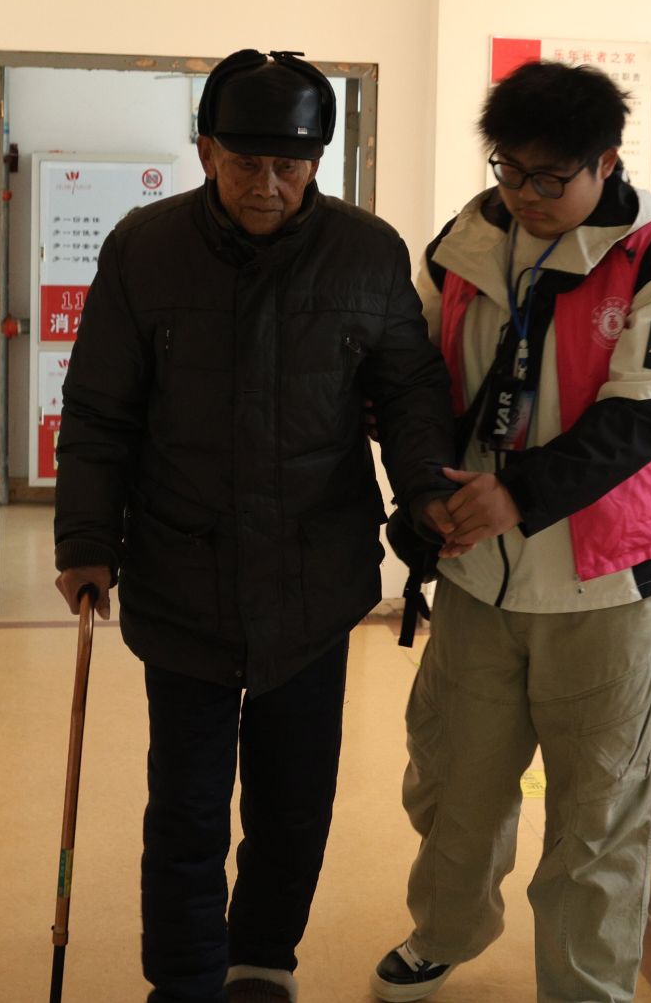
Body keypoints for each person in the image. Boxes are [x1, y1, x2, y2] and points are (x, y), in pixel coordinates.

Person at [54, 49, 455, 1003]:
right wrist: (86, 541)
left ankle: (263, 960)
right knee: (186, 806)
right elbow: (100, 408)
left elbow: (409, 393)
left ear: (318, 160)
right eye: (246, 163)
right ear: (205, 151)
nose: (268, 185)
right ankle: (184, 981)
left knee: (294, 801)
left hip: (315, 581)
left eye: (290, 164)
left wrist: (426, 499)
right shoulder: (145, 249)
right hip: (181, 571)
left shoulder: (366, 253)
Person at [373, 61, 651, 1003]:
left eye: (550, 177)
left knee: (597, 811)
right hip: (476, 573)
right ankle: (445, 931)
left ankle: (586, 986)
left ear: (606, 162)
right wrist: (424, 487)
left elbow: (639, 418)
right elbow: (412, 378)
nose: (525, 194)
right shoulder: (464, 241)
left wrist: (517, 494)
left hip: (604, 582)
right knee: (454, 779)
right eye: (510, 169)